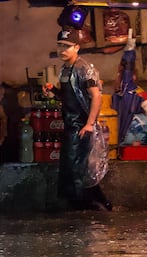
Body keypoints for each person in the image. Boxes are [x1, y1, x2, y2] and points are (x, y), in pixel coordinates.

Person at [43, 27, 112, 211]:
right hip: (69, 125)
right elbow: (67, 97)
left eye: (66, 46)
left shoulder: (84, 69)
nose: (62, 50)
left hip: (81, 126)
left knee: (76, 170)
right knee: (75, 168)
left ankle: (86, 207)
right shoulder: (64, 70)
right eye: (59, 46)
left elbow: (96, 96)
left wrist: (89, 124)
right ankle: (100, 203)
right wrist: (53, 91)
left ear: (76, 47)